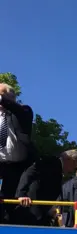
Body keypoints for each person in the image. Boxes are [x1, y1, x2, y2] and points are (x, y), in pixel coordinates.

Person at [15, 149, 77, 226]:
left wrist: (51, 208)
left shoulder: (57, 168)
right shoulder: (50, 162)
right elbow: (29, 172)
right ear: (69, 160)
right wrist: (21, 194)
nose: (72, 170)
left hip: (40, 211)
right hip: (32, 208)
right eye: (74, 167)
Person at [0, 83, 34, 224]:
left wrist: (3, 100)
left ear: (11, 98)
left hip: (16, 166)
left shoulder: (23, 111)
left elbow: (20, 112)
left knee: (9, 204)